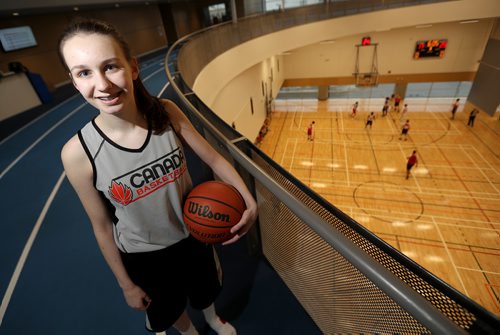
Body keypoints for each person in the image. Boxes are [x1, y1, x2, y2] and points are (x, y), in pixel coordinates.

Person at [58, 18, 257, 335]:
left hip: (193, 235)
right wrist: (126, 285)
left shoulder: (166, 113)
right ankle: (189, 332)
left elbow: (215, 158)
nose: (103, 84)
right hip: (144, 255)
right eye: (84, 72)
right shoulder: (77, 153)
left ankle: (211, 319)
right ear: (74, 82)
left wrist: (248, 200)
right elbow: (102, 226)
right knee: (167, 309)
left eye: (111, 66)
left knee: (206, 290)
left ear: (133, 68)